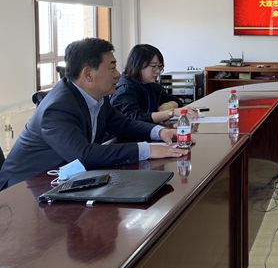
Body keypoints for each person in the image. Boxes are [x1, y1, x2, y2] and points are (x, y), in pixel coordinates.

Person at [0, 38, 187, 190]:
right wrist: (147, 150)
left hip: (62, 180)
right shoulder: (57, 107)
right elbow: (83, 154)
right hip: (22, 188)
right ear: (88, 74)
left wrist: (160, 132)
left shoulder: (97, 96)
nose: (118, 74)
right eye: (112, 68)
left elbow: (123, 124)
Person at [110, 44, 197, 124]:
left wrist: (168, 106)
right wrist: (170, 113)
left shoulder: (151, 85)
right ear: (138, 65)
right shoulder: (125, 89)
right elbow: (134, 119)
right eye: (153, 66)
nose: (158, 71)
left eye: (159, 67)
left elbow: (177, 101)